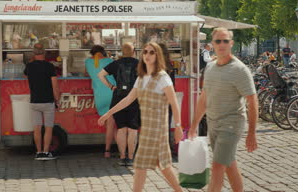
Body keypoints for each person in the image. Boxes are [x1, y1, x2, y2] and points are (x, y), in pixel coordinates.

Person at [98, 42, 183, 192]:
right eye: (145, 52)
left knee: (145, 166)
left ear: (158, 56)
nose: (147, 55)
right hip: (148, 129)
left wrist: (178, 127)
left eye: (151, 52)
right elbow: (128, 99)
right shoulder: (142, 77)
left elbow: (174, 102)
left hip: (157, 130)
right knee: (159, 166)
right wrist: (108, 113)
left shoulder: (162, 77)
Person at [188, 28, 258, 192]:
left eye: (225, 41)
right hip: (213, 123)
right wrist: (193, 126)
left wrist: (252, 133)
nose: (221, 44)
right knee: (229, 164)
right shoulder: (210, 68)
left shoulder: (239, 70)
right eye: (218, 41)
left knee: (218, 166)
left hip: (231, 125)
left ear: (231, 43)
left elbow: (252, 101)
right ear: (212, 44)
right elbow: (204, 99)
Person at [98, 42, 140, 165]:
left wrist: (111, 86)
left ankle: (122, 157)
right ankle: (131, 157)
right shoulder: (139, 64)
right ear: (133, 52)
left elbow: (100, 75)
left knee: (121, 128)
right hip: (135, 98)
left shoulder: (116, 64)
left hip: (118, 98)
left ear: (122, 52)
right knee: (133, 129)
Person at [24, 44, 60, 160]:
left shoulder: (29, 66)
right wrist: (57, 98)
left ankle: (38, 152)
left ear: (34, 54)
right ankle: (46, 152)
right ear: (44, 54)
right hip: (48, 101)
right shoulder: (49, 66)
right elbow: (55, 85)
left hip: (34, 101)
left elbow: (25, 75)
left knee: (37, 129)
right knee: (48, 128)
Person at [85, 45, 116, 158]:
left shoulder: (88, 62)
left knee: (111, 124)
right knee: (112, 124)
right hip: (111, 92)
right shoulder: (109, 60)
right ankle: (107, 151)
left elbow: (86, 74)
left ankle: (122, 149)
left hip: (99, 95)